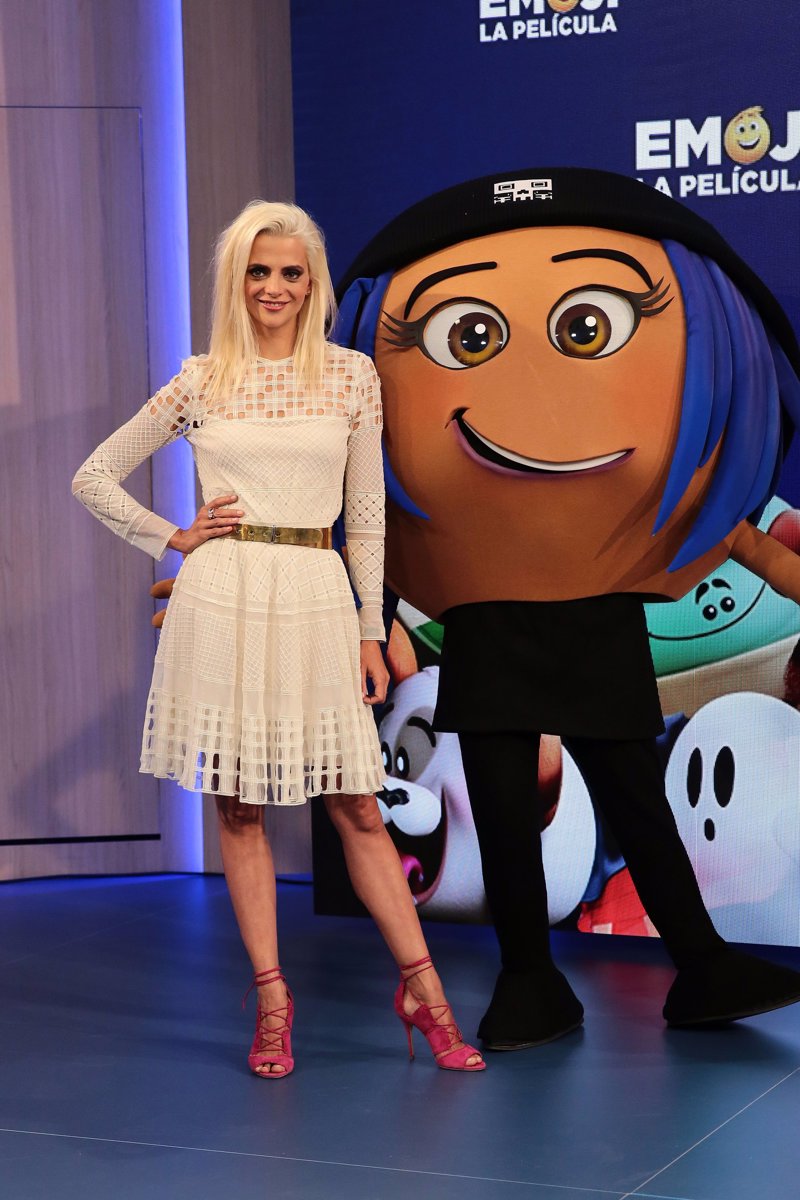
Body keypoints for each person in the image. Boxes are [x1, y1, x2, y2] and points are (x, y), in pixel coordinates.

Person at [335, 167, 800, 1049]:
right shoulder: (382, 477)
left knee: (638, 805)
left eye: (588, 328)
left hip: (596, 622)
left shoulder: (679, 486)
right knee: (503, 814)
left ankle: (702, 963)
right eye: (470, 336)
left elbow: (756, 548)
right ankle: (528, 978)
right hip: (488, 628)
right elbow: (363, 526)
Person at [72, 200, 484, 1077]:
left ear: (312, 282)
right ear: (236, 279)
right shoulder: (200, 380)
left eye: (291, 273)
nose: (274, 287)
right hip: (222, 597)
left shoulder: (350, 376)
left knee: (358, 806)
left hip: (316, 592)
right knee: (240, 808)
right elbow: (94, 475)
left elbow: (365, 519)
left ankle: (424, 992)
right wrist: (171, 536)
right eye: (258, 272)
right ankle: (271, 1002)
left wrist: (371, 631)